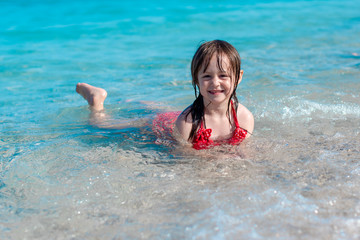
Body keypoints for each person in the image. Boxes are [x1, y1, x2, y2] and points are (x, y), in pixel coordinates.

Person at [76, 40, 254, 150]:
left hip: (177, 115)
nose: (215, 83)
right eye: (207, 76)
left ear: (238, 78)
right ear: (196, 79)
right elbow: (187, 161)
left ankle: (144, 102)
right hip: (162, 126)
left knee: (164, 111)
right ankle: (96, 101)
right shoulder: (186, 124)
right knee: (101, 126)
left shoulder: (244, 117)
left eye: (223, 76)